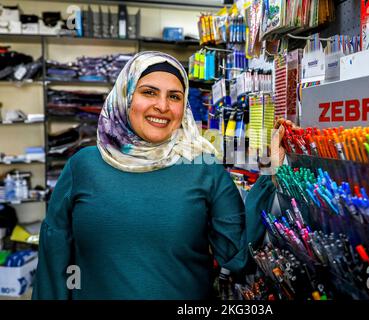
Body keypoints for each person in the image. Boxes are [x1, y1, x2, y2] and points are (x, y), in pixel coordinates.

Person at [32, 51, 293, 300]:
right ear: (126, 95)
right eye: (149, 92)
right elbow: (54, 260)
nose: (162, 106)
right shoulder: (84, 166)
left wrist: (271, 169)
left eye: (175, 97)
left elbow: (238, 255)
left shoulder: (203, 167)